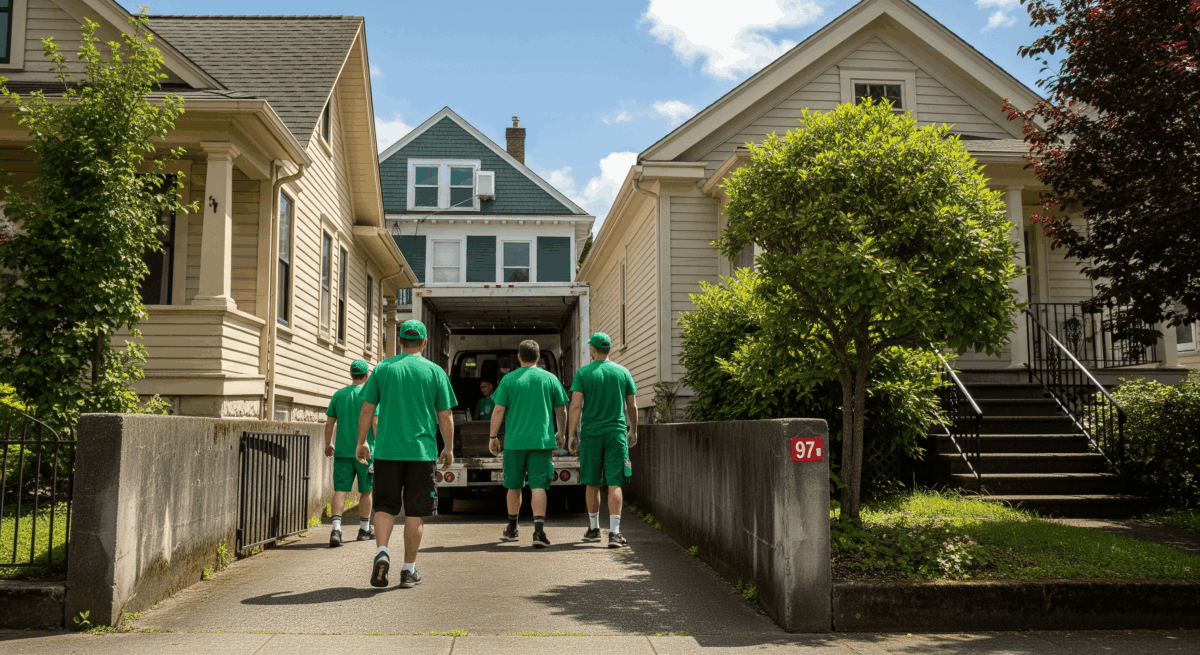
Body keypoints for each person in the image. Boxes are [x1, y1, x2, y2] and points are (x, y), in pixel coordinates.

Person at [356, 319, 456, 589]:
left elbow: (367, 409)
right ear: (424, 342)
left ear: (399, 342)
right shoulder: (435, 372)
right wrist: (448, 447)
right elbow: (444, 415)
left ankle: (382, 552)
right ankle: (408, 570)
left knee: (385, 506)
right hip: (421, 453)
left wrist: (362, 442)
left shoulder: (382, 369)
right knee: (415, 512)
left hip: (387, 451)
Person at [488, 340, 569, 548]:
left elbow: (498, 410)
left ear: (519, 356)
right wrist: (561, 433)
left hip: (515, 443)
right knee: (539, 486)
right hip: (542, 442)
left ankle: (513, 528)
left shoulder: (508, 379)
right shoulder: (550, 379)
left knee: (514, 486)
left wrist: (493, 437)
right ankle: (538, 533)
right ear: (539, 356)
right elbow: (561, 409)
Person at [568, 332, 638, 548]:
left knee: (592, 482)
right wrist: (633, 429)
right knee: (615, 482)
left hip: (591, 434)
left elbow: (576, 405)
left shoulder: (583, 373)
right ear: (608, 349)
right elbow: (632, 406)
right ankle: (615, 534)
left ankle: (594, 529)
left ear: (593, 349)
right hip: (616, 433)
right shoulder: (622, 372)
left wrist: (571, 434)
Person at [323, 359, 379, 547]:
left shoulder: (339, 395)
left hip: (342, 451)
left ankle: (336, 529)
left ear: (350, 374)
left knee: (341, 490)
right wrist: (379, 445)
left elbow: (329, 422)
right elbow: (375, 423)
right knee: (366, 490)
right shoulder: (370, 395)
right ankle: (364, 529)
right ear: (366, 376)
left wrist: (328, 443)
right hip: (366, 451)